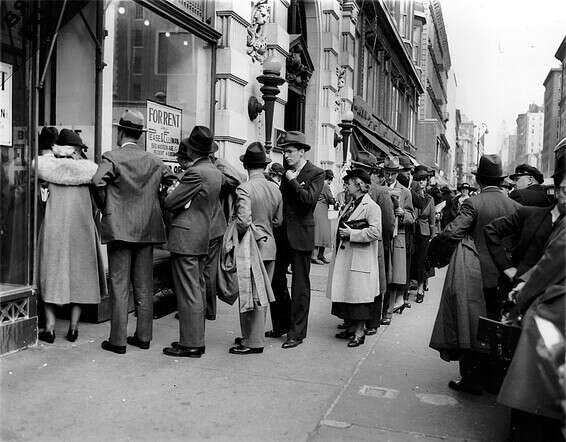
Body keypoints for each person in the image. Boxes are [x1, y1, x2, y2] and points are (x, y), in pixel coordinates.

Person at [428, 154, 520, 395]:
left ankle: (471, 381)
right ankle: (494, 381)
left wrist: (437, 252)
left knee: (472, 326)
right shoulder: (515, 205)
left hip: (477, 274)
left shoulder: (474, 203)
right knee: (499, 327)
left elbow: (452, 232)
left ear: (479, 180)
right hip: (505, 277)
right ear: (501, 181)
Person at [92, 110, 176, 354]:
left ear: (120, 131)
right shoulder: (154, 160)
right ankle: (143, 336)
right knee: (143, 285)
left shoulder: (112, 157)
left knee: (119, 285)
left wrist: (106, 206)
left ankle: (117, 340)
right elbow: (172, 181)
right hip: (147, 229)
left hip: (119, 229)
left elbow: (97, 182)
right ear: (140, 135)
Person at [497, 147, 565, 441]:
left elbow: (549, 265)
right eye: (559, 190)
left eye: (562, 191)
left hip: (554, 315)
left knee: (534, 392)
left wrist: (521, 296)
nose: (558, 195)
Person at [162, 126, 224, 358]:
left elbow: (170, 202)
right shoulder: (214, 171)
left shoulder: (195, 173)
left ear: (191, 150)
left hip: (186, 237)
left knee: (188, 292)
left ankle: (191, 343)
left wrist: (170, 192)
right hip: (202, 235)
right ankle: (193, 340)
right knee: (196, 289)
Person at [37, 129, 104, 343]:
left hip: (53, 231)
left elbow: (39, 202)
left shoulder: (46, 171)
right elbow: (97, 204)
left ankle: (49, 328)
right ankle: (74, 328)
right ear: (75, 151)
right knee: (79, 278)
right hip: (81, 231)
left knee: (50, 275)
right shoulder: (88, 173)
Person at [267, 131, 324, 349]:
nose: (286, 156)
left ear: (302, 152)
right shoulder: (287, 172)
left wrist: (291, 179)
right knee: (276, 280)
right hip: (282, 235)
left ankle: (297, 333)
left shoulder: (316, 173)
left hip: (301, 236)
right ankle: (281, 325)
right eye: (284, 152)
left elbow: (308, 201)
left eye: (290, 152)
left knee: (300, 285)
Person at [230, 142, 282, 355]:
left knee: (249, 292)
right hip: (270, 245)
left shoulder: (244, 188)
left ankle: (253, 341)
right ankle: (253, 336)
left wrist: (238, 234)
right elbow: (278, 221)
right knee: (262, 293)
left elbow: (243, 220)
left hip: (251, 246)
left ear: (246, 166)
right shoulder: (274, 189)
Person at [327, 168, 382, 347]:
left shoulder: (372, 207)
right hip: (348, 256)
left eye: (349, 183)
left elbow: (376, 232)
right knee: (349, 294)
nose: (346, 185)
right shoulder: (351, 203)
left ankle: (360, 331)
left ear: (358, 185)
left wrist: (353, 233)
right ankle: (351, 328)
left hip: (360, 258)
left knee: (360, 298)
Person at [382, 156, 414, 321]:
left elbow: (412, 217)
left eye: (393, 173)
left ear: (397, 173)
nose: (389, 176)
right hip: (380, 237)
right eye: (387, 172)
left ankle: (387, 313)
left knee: (393, 278)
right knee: (380, 275)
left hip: (397, 238)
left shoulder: (405, 192)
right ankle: (377, 313)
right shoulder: (378, 188)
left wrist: (403, 214)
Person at [366, 165, 395, 333]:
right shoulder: (358, 189)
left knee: (376, 282)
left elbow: (388, 221)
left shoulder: (380, 191)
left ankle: (372, 321)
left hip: (376, 242)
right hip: (363, 243)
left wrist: (385, 241)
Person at [409, 165, 435, 304]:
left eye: (423, 180)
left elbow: (432, 221)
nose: (421, 182)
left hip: (424, 233)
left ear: (427, 182)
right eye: (418, 179)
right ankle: (408, 287)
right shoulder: (409, 194)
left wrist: (432, 237)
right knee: (410, 260)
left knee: (420, 261)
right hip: (411, 231)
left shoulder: (430, 199)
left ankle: (420, 289)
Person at [312, 169, 336, 264]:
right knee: (320, 233)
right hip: (321, 209)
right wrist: (335, 201)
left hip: (318, 209)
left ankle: (320, 255)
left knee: (322, 232)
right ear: (329, 178)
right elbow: (330, 199)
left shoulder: (318, 183)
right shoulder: (325, 185)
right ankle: (315, 256)